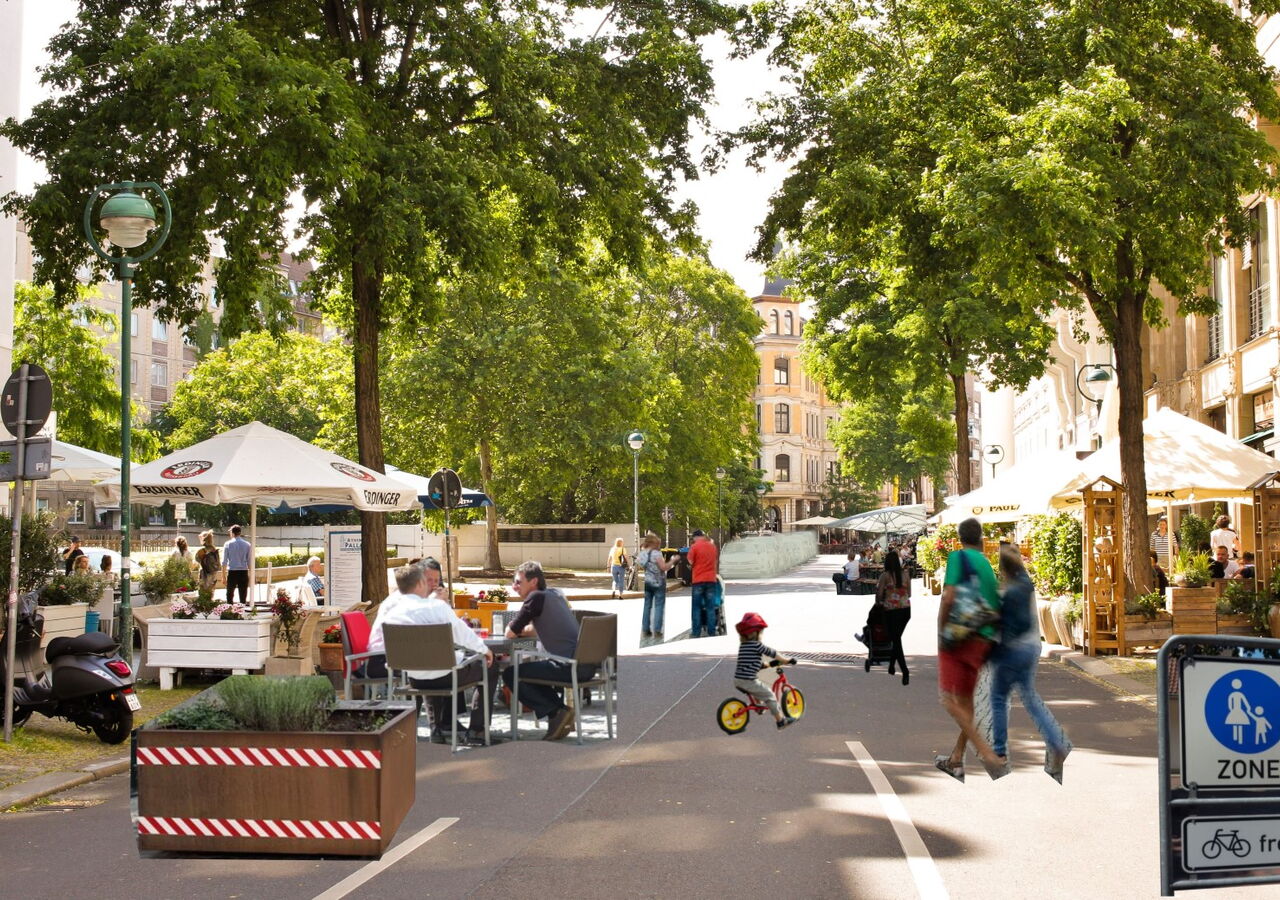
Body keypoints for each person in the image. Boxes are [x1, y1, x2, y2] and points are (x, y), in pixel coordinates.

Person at [376, 562, 494, 745]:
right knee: (490, 669)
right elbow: (464, 635)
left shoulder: (391, 614)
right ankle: (477, 730)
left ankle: (437, 726)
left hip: (413, 678)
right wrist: (485, 651)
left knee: (431, 663)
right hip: (446, 676)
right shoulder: (436, 607)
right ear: (420, 584)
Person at [988, 546, 1072, 783]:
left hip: (1012, 650)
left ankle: (1000, 751)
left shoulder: (1012, 591)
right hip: (1030, 648)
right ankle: (1056, 742)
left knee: (998, 699)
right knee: (1030, 698)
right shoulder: (1025, 583)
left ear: (1003, 567)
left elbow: (1006, 623)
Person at [934, 517, 1008, 782]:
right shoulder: (987, 565)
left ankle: (989, 755)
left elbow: (948, 597)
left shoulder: (958, 558)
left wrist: (941, 630)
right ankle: (956, 759)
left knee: (949, 700)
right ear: (981, 538)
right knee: (966, 703)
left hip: (959, 636)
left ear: (959, 537)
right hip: (983, 638)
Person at [503, 560, 588, 740]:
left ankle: (557, 712)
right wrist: (523, 632)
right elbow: (536, 629)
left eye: (518, 582)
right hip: (586, 664)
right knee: (531, 672)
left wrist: (515, 630)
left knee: (511, 674)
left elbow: (510, 633)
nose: (514, 586)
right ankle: (559, 713)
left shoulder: (535, 598)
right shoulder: (555, 595)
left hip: (568, 665)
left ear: (533, 582)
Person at [732, 612, 796, 729]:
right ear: (756, 632)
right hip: (748, 680)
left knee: (758, 685)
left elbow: (751, 663)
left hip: (738, 680)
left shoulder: (743, 646)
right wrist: (786, 660)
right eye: (761, 631)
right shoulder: (757, 645)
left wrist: (766, 665)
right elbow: (773, 653)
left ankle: (759, 706)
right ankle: (781, 721)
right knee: (769, 695)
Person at [874, 550, 911, 685]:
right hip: (906, 610)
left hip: (891, 611)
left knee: (895, 640)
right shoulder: (906, 575)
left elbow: (879, 593)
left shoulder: (885, 576)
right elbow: (910, 593)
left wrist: (879, 601)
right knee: (896, 639)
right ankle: (891, 665)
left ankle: (905, 671)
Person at [635, 533, 673, 638]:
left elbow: (640, 564)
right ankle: (657, 630)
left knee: (647, 606)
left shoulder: (642, 554)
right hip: (659, 583)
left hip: (648, 582)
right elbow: (664, 567)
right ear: (654, 543)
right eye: (658, 543)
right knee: (659, 606)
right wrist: (673, 561)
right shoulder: (657, 554)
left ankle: (645, 629)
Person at [687, 530, 720, 638]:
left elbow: (690, 561)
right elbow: (715, 560)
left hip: (698, 580)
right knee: (710, 606)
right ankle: (712, 631)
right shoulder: (712, 547)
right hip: (711, 579)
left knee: (696, 607)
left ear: (696, 537)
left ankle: (696, 632)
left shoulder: (694, 547)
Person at [222, 524, 252, 605]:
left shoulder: (228, 544)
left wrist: (223, 576)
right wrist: (252, 575)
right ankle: (242, 611)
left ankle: (229, 610)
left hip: (232, 571)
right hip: (243, 571)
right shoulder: (247, 544)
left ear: (232, 533)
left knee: (230, 594)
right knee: (243, 594)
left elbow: (224, 561)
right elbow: (249, 561)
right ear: (240, 532)